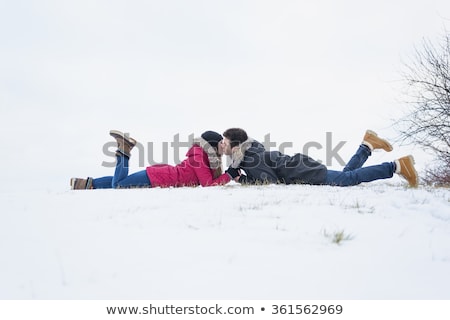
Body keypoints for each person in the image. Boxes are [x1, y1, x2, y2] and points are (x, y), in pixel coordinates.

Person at [220, 128, 419, 187]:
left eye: (225, 142)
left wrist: (241, 179)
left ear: (236, 146)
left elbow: (269, 181)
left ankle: (396, 166)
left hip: (303, 171)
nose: (222, 145)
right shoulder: (252, 150)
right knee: (346, 175)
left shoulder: (249, 160)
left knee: (348, 179)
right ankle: (367, 145)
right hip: (300, 165)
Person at [70, 130, 239, 189]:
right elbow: (207, 184)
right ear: (210, 146)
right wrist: (229, 174)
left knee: (122, 180)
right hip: (161, 177)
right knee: (118, 184)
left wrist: (230, 172)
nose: (223, 147)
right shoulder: (199, 157)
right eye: (220, 144)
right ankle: (124, 150)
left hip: (161, 175)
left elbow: (209, 180)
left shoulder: (201, 156)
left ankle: (88, 184)